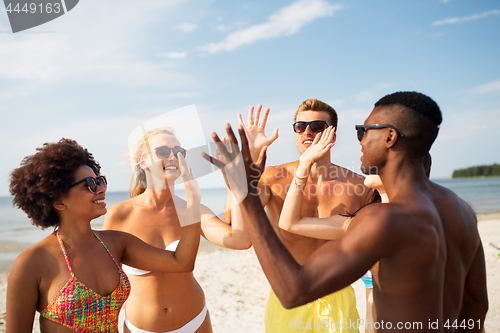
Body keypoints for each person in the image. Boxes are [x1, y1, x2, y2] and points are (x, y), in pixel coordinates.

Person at [206, 91, 488, 332]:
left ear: (390, 137)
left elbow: (294, 290)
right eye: (300, 126)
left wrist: (243, 184)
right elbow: (476, 307)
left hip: (326, 293)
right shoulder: (461, 211)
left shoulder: (379, 214)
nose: (360, 140)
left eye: (364, 131)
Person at [6, 138, 201, 333]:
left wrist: (193, 203)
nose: (101, 189)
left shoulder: (116, 243)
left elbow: (181, 262)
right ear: (58, 201)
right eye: (90, 184)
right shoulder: (32, 261)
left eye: (100, 180)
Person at [219, 101, 373, 332]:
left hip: (338, 298)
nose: (308, 131)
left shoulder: (359, 185)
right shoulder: (272, 177)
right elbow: (233, 220)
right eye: (301, 126)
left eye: (318, 125)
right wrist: (242, 170)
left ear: (333, 134)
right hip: (287, 295)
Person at [103, 126, 251, 333]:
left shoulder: (194, 209)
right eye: (163, 151)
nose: (173, 156)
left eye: (179, 152)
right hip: (140, 327)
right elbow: (106, 283)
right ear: (143, 161)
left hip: (194, 321)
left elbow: (241, 240)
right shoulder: (120, 214)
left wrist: (235, 185)